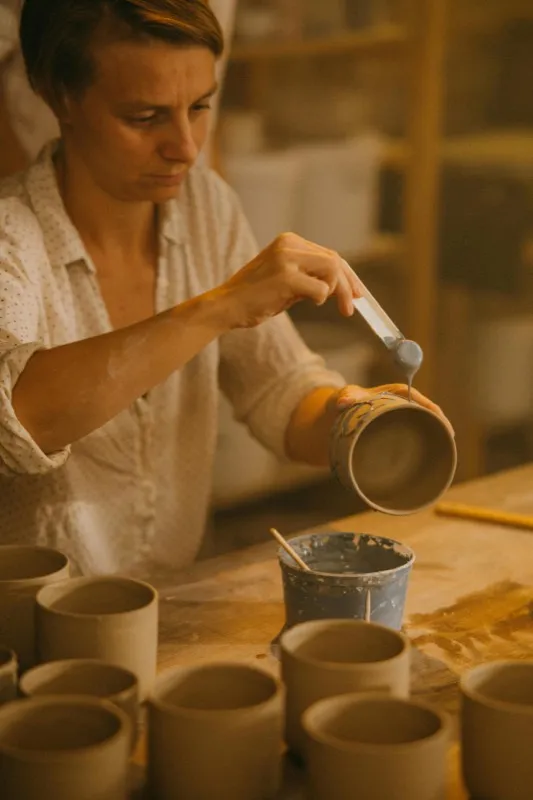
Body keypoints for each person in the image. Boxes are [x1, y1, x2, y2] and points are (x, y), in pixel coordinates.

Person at [0, 0, 446, 577]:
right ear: (59, 96)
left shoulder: (204, 206)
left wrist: (351, 417)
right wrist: (218, 308)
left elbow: (277, 389)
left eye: (200, 106)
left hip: (178, 607)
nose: (185, 147)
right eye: (144, 117)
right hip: (39, 631)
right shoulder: (13, 237)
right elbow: (17, 420)